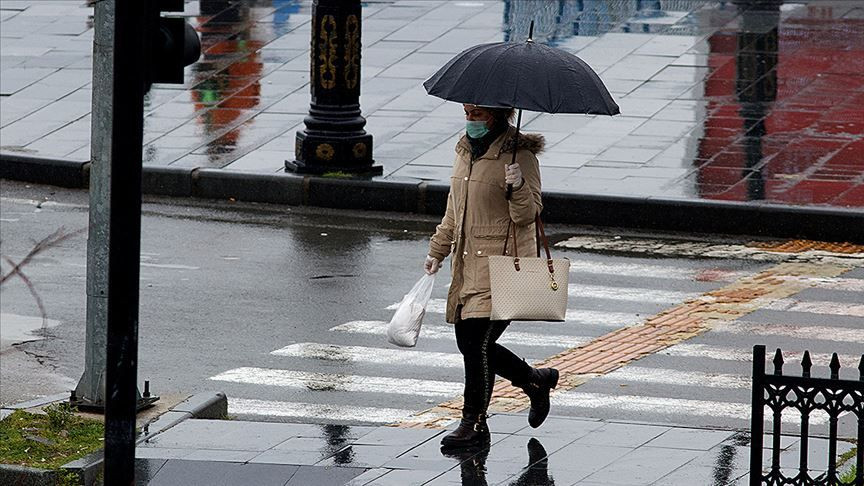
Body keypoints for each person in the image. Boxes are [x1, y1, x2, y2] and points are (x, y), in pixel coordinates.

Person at [424, 104, 559, 450]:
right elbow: (454, 210)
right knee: (469, 344)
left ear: (497, 115)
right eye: (467, 113)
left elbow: (528, 215)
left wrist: (518, 185)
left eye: (478, 114)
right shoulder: (464, 150)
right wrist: (438, 249)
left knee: (476, 345)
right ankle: (534, 381)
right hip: (467, 264)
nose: (470, 120)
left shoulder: (520, 155)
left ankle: (474, 423)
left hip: (503, 265)